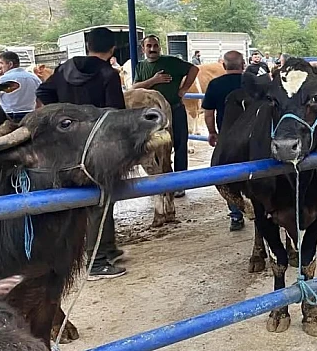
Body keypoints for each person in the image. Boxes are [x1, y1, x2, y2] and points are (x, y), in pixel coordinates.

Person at [36, 27, 127, 280]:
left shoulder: (64, 69)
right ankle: (96, 261)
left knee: (90, 199)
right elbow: (115, 114)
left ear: (88, 45)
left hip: (65, 146)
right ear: (112, 50)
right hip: (96, 146)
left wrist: (63, 117)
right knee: (100, 198)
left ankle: (106, 248)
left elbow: (43, 92)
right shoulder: (108, 74)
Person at [132, 35, 199, 188]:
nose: (152, 49)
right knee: (156, 148)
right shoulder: (140, 66)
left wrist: (183, 89)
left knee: (180, 146)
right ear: (143, 49)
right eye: (149, 46)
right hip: (153, 117)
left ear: (160, 47)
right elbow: (134, 87)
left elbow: (194, 69)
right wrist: (154, 80)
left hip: (175, 109)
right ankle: (161, 182)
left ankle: (180, 183)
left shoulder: (171, 61)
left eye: (155, 45)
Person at [202, 51, 246, 231]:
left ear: (224, 66)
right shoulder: (254, 84)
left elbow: (208, 113)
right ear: (243, 64)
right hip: (254, 136)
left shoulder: (215, 84)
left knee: (227, 176)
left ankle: (236, 215)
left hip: (227, 138)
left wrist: (212, 132)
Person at [0, 51, 40, 122]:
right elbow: (39, 99)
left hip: (9, 116)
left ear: (10, 64)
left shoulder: (2, 79)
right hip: (30, 115)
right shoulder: (34, 78)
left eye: (1, 63)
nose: (0, 67)